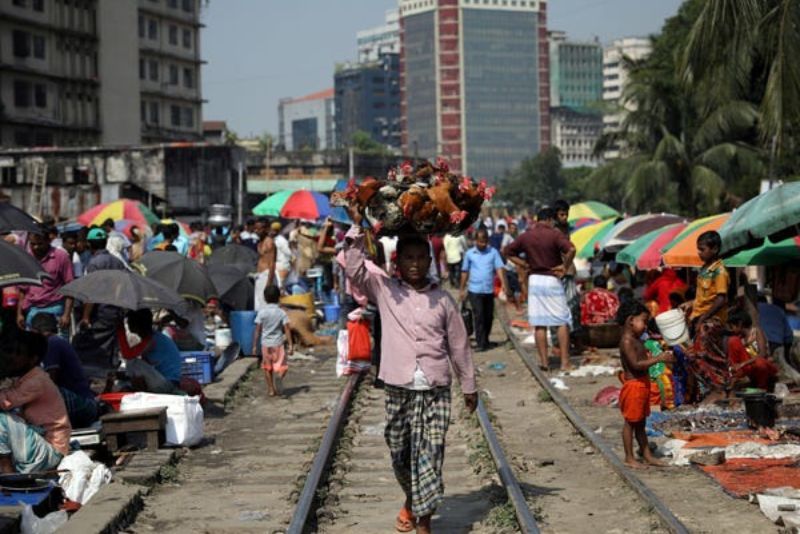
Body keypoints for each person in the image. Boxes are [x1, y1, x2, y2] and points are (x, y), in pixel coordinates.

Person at [344, 208, 477, 534]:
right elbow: (354, 268)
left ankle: (424, 521)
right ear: (397, 263)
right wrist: (358, 226)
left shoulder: (443, 301)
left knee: (431, 455)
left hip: (435, 389)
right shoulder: (385, 290)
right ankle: (411, 501)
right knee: (400, 452)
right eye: (409, 258)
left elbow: (459, 344)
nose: (415, 263)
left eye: (421, 257)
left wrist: (469, 385)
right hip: (398, 385)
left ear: (431, 262)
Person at [506, 208, 576, 371]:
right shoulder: (554, 234)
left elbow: (508, 251)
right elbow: (571, 249)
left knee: (539, 323)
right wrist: (564, 266)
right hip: (552, 278)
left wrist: (523, 264)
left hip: (535, 280)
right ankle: (565, 363)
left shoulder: (526, 235)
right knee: (561, 321)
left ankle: (544, 363)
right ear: (550, 220)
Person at [0, 330, 71, 474]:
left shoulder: (36, 381)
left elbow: (5, 402)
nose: (11, 357)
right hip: (40, 442)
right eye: (10, 351)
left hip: (51, 449)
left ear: (32, 359)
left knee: (1, 420)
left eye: (19, 353)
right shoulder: (24, 378)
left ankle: (8, 473)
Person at [617, 300, 673, 468]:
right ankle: (629, 457)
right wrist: (658, 358)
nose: (645, 326)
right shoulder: (627, 341)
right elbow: (635, 364)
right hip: (634, 385)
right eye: (643, 321)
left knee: (640, 423)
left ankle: (647, 453)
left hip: (642, 384)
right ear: (631, 320)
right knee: (630, 423)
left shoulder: (637, 338)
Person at [31, 314, 98, 428]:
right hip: (85, 403)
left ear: (35, 331)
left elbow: (50, 382)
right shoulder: (57, 341)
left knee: (45, 391)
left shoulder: (52, 343)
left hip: (83, 405)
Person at [74, 228, 128, 367]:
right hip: (115, 310)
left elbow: (92, 292)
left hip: (100, 313)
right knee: (111, 346)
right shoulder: (118, 262)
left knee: (91, 346)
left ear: (89, 244)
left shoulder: (94, 263)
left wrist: (86, 317)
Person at [460, 228, 507, 352]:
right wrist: (462, 288)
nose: (483, 244)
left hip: (488, 290)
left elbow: (499, 269)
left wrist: (504, 284)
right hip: (474, 290)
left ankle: (485, 340)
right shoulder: (470, 254)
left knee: (489, 316)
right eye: (480, 241)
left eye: (485, 241)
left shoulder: (493, 252)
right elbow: (465, 271)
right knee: (479, 315)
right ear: (475, 241)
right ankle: (481, 343)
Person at [121, 308, 182, 394]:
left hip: (168, 384)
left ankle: (141, 394)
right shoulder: (153, 337)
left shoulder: (152, 340)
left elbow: (129, 356)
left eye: (130, 321)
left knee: (133, 362)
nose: (129, 323)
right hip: (165, 381)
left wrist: (120, 330)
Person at [253, 285, 293, 397]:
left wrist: (254, 346)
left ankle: (271, 389)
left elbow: (257, 330)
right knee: (282, 366)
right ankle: (279, 377)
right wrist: (290, 345)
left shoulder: (262, 313)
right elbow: (287, 330)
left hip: (265, 344)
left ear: (265, 298)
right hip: (278, 344)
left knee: (267, 368)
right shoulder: (281, 313)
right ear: (279, 297)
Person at [683, 231, 729, 328]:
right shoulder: (703, 269)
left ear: (715, 249)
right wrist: (691, 303)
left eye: (702, 249)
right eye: (698, 249)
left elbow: (721, 299)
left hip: (712, 320)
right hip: (697, 316)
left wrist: (703, 318)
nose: (699, 252)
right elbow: (705, 298)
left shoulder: (719, 272)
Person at [727, 310, 778, 391]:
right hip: (750, 369)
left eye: (732, 326)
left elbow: (762, 354)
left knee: (759, 363)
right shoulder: (739, 339)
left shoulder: (756, 331)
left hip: (764, 368)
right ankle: (735, 380)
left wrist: (743, 364)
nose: (731, 330)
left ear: (740, 324)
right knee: (732, 340)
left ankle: (762, 387)